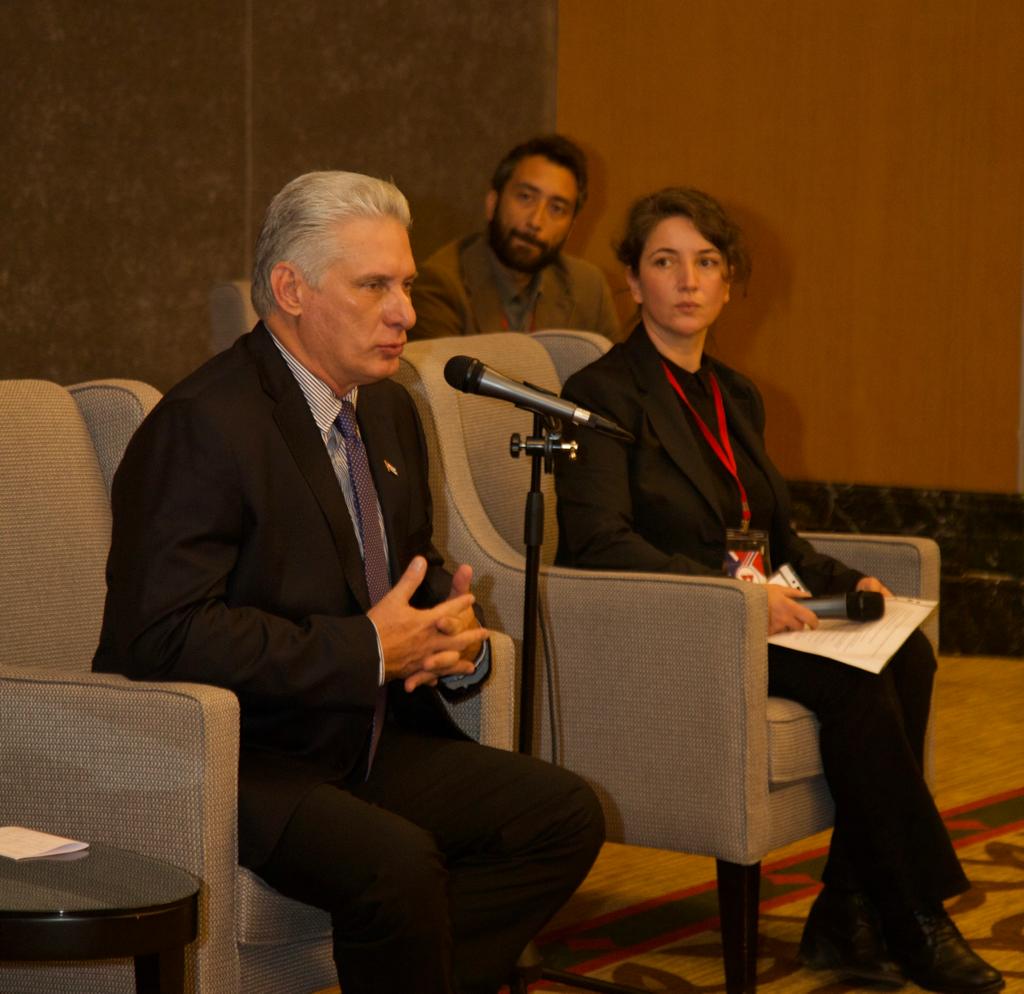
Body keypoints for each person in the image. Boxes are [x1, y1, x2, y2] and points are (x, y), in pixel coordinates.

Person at [94, 170, 604, 994]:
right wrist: (367, 648)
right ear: (290, 290)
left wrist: (451, 637)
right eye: (375, 286)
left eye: (404, 283)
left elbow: (406, 567)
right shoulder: (202, 425)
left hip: (358, 737)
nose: (405, 309)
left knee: (561, 816)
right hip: (238, 754)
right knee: (398, 866)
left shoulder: (389, 407)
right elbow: (162, 636)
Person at [554, 187, 1004, 994]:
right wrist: (739, 603)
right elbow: (597, 544)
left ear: (729, 283)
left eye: (707, 263)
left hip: (756, 606)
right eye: (665, 262)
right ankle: (913, 916)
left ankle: (843, 906)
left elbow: (776, 539)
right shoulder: (601, 394)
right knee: (853, 682)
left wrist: (845, 585)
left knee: (908, 653)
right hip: (678, 623)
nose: (687, 280)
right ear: (632, 282)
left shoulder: (737, 394)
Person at [410, 133, 621, 341]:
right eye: (525, 197)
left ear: (570, 228)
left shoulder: (589, 289)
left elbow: (614, 375)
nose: (536, 222)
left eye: (557, 209)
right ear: (493, 203)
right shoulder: (440, 284)